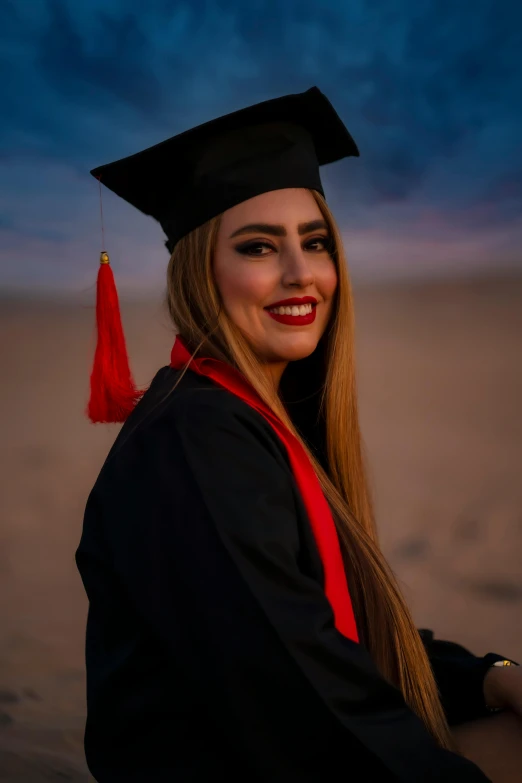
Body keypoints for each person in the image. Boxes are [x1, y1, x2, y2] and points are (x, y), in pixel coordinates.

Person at [75, 86, 520, 782]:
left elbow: (330, 639)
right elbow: (306, 705)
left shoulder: (252, 420)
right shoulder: (194, 443)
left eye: (315, 243)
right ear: (202, 272)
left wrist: (487, 677)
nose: (300, 273)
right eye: (258, 246)